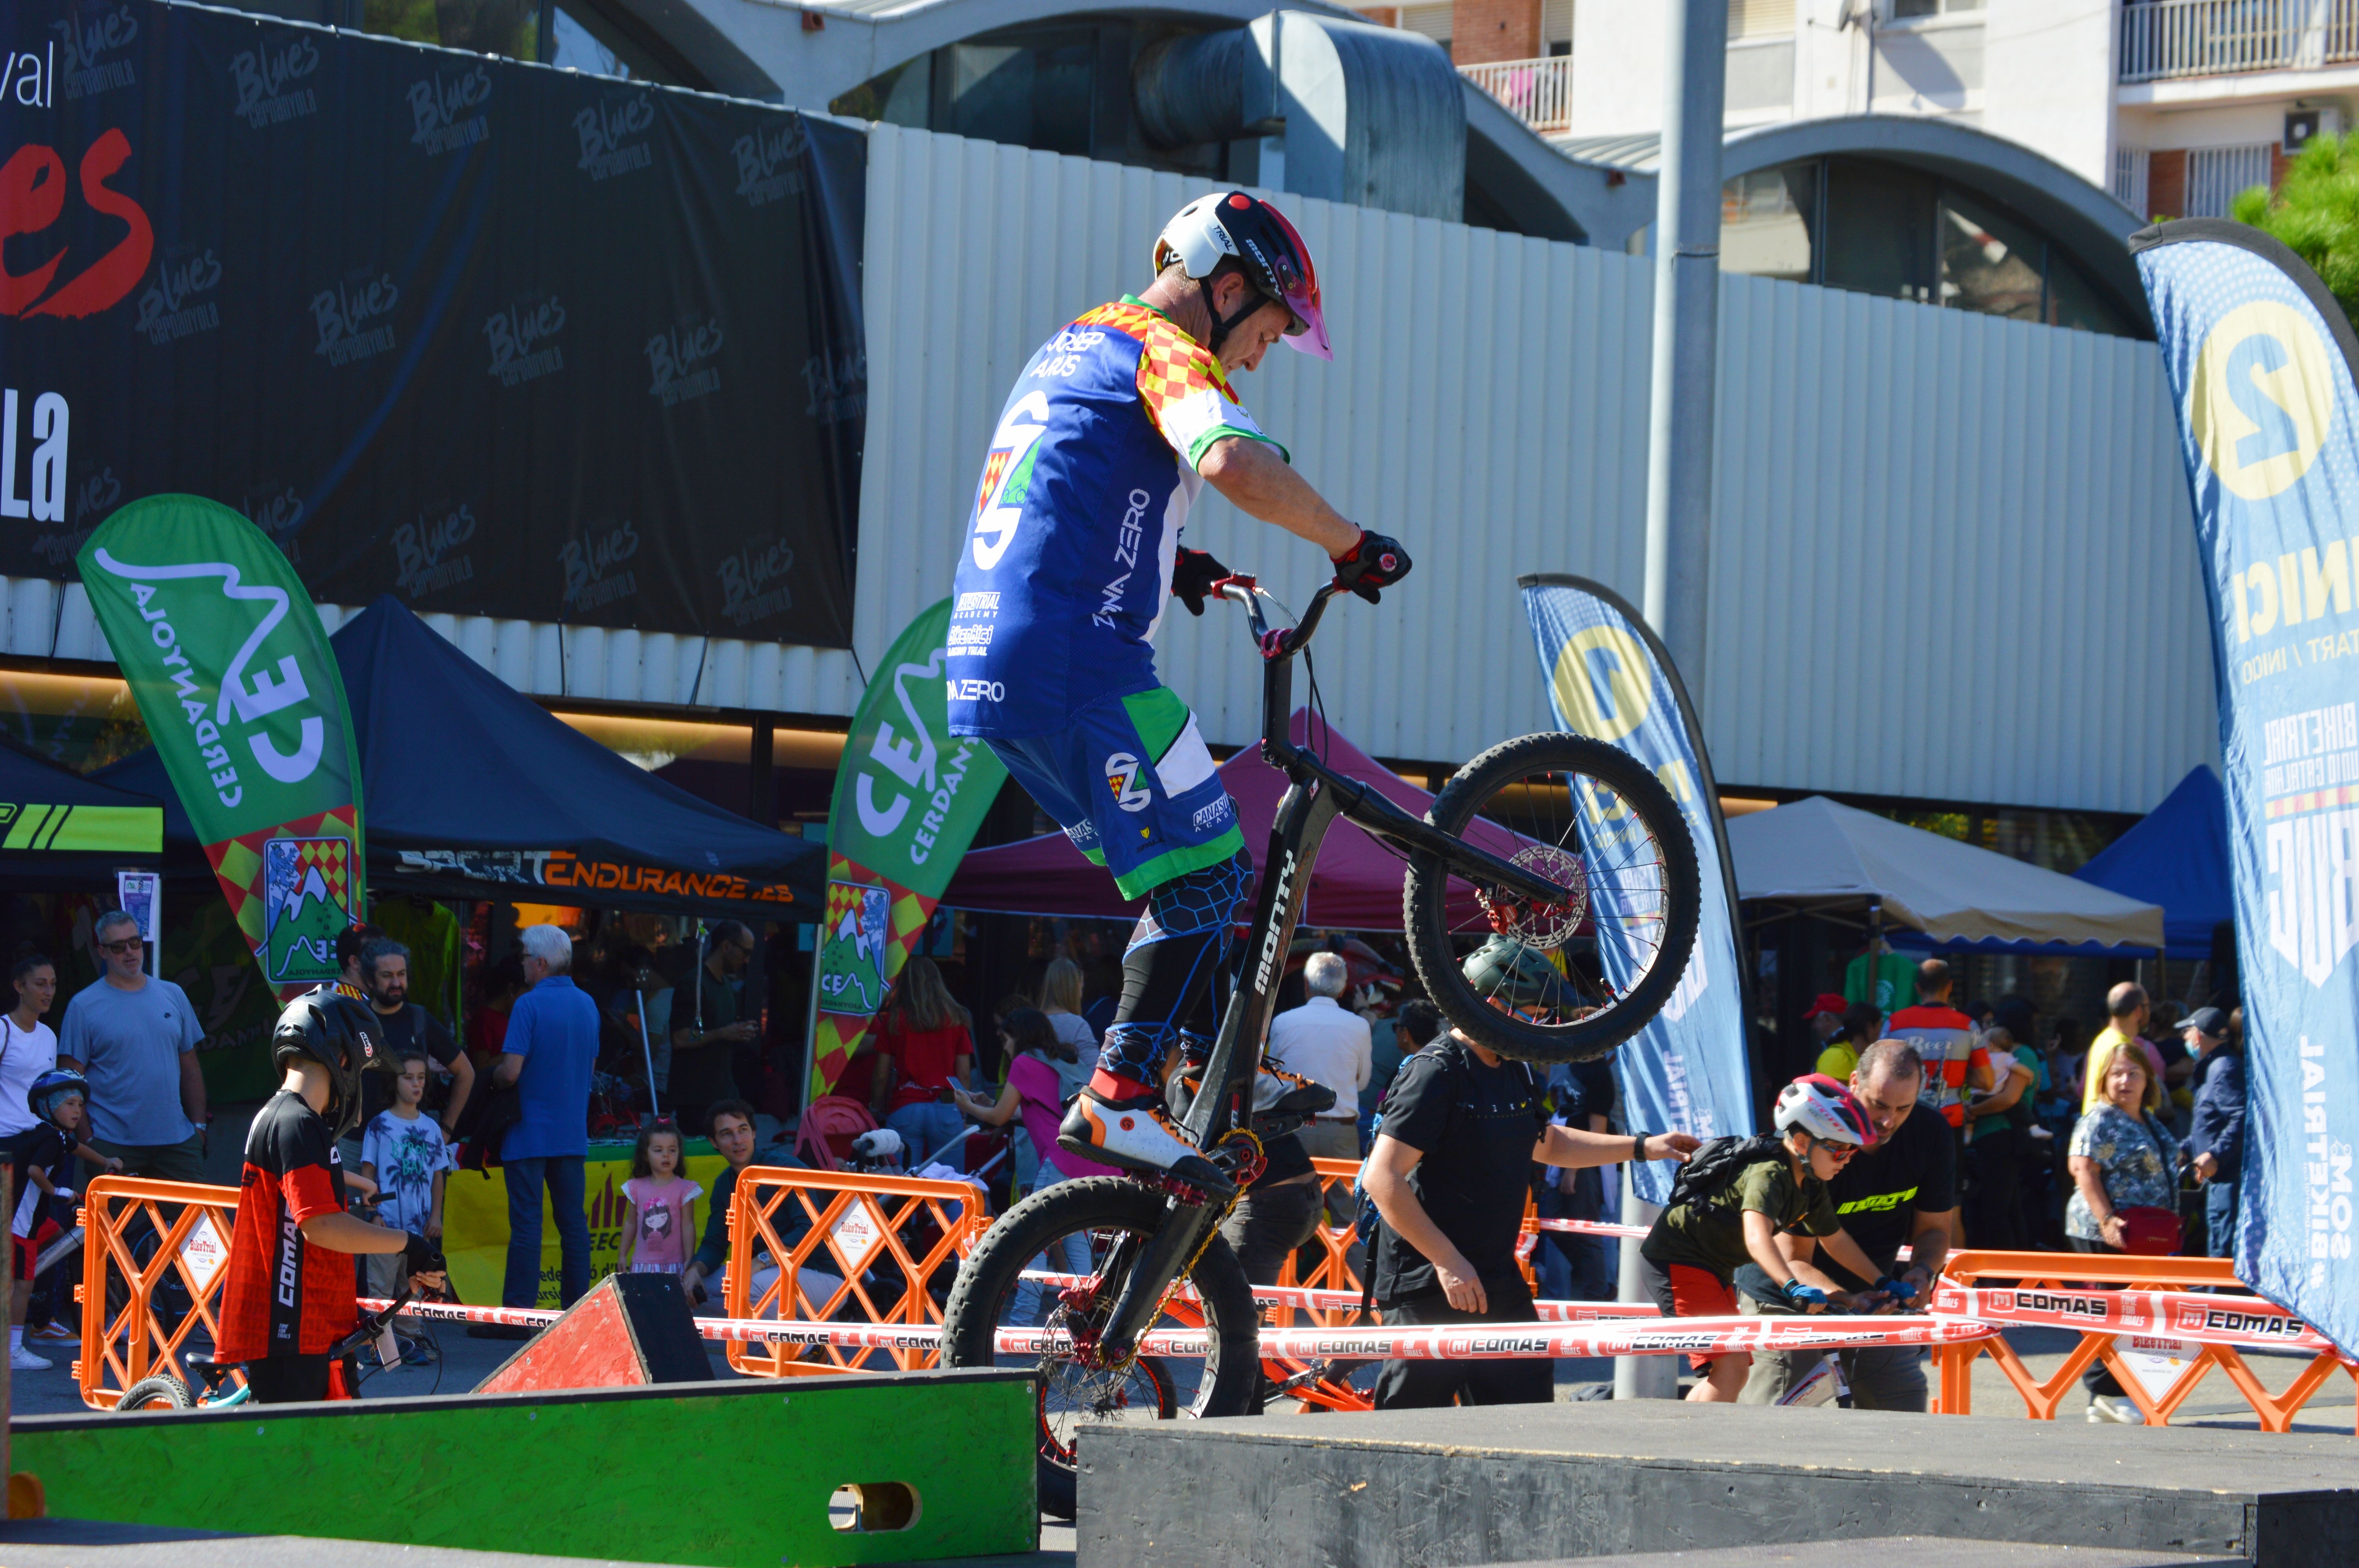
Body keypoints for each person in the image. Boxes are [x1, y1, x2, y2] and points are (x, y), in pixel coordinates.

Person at [945, 190, 1409, 1190]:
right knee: (1208, 874)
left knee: (1178, 876)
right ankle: (1118, 1101)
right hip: (1082, 664)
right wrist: (1349, 543)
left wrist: (1180, 560)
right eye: (1268, 334)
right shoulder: (1165, 347)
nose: (1256, 360)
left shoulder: (1076, 343)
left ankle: (1200, 1062)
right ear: (1228, 289)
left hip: (994, 669)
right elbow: (1231, 457)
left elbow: (1076, 484)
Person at [1361, 939, 1697, 1409]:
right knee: (1414, 1427)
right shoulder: (1434, 1072)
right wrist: (1448, 1261)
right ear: (1489, 1005)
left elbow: (1547, 1144)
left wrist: (1643, 1147)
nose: (1535, 1025)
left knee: (1525, 1410)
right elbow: (1383, 1178)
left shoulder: (1514, 1067)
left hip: (1494, 1277)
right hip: (1428, 1283)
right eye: (1529, 1012)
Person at [215, 988, 446, 1402]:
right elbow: (319, 1225)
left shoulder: (287, 1117)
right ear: (342, 1059)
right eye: (360, 1069)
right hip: (292, 1336)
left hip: (303, 1329)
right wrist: (408, 1243)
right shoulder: (297, 1123)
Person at [1641, 1074, 1894, 1403]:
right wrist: (1793, 1287)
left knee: (1734, 1370)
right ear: (1803, 1143)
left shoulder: (1811, 1183)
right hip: (1679, 1259)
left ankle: (1681, 1438)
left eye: (1852, 1152)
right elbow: (1756, 1235)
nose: (1846, 1160)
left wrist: (1882, 1280)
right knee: (1731, 1366)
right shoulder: (1769, 1173)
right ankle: (1684, 1447)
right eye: (1839, 1151)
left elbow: (1836, 1239)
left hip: (1713, 1267)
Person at [1737, 1042, 1954, 1411]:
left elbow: (1935, 1229)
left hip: (1873, 1300)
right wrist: (1848, 1300)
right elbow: (1794, 1259)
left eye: (1904, 1108)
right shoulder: (1818, 1138)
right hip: (1788, 1296)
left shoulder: (1930, 1132)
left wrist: (1922, 1272)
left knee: (1903, 1415)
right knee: (1777, 1424)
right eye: (1879, 1105)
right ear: (1854, 1083)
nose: (1889, 1121)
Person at [954, 1009, 1116, 1322]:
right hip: (1087, 1160)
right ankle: (1081, 1323)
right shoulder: (1061, 1060)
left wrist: (967, 1106)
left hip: (1058, 1161)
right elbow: (1032, 1110)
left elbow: (1000, 1118)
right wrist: (987, 1103)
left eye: (1006, 1039)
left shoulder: (1024, 1063)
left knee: (1031, 1239)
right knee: (1078, 1248)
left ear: (1021, 1037)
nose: (1004, 1047)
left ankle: (1021, 1321)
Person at [2066, 1035, 2184, 1424]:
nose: (2125, 1081)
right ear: (2104, 1080)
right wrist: (2106, 1218)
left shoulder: (2148, 1119)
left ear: (2148, 1080)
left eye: (2133, 1073)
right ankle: (2105, 1392)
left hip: (2144, 1234)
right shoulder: (2102, 1119)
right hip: (2104, 1229)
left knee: (2134, 1310)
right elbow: (2083, 1169)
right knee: (2114, 1309)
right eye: (2116, 1073)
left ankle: (2113, 1393)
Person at [487, 925, 600, 1330]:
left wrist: (493, 1076)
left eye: (523, 959)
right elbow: (588, 1071)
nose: (521, 966)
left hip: (528, 1132)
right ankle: (577, 1312)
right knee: (573, 1224)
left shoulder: (528, 1005)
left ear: (539, 962)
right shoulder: (588, 1005)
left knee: (528, 1226)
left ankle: (519, 1314)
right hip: (570, 1134)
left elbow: (512, 1072)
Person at [55, 910, 207, 1183]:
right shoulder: (83, 1006)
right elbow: (69, 1081)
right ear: (102, 952)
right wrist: (89, 1140)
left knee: (193, 1225)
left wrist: (199, 1126)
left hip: (177, 1140)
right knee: (114, 1227)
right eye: (118, 946)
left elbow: (190, 1065)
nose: (129, 951)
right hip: (112, 1143)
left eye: (135, 942)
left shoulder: (173, 994)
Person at [10, 1069, 118, 1368]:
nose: (77, 1111)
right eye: (69, 1104)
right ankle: (12, 1350)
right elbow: (35, 1172)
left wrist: (105, 1161)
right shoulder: (49, 1140)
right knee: (23, 1285)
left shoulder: (55, 1136)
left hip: (37, 1219)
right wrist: (60, 1192)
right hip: (21, 1222)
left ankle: (37, 1316)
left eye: (81, 1105)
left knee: (60, 1239)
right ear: (48, 1107)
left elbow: (77, 1147)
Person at [356, 1053, 452, 1370]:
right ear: (394, 1082)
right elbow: (367, 1172)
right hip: (384, 1226)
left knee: (412, 1283)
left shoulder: (431, 1128)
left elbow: (438, 1174)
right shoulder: (380, 1125)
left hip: (418, 1227)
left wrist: (436, 1215)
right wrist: (373, 1214)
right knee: (381, 1286)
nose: (416, 1084)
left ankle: (410, 1339)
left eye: (422, 1077)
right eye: (408, 1077)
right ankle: (377, 1343)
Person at [357, 938, 473, 1137]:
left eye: (401, 975)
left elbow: (466, 1072)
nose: (396, 983)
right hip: (356, 1144)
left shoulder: (420, 1020)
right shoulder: (354, 1018)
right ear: (370, 980)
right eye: (387, 976)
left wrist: (446, 1130)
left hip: (410, 1145)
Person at [1266, 951, 1372, 1165]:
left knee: (1293, 1196)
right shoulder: (1360, 1026)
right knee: (1343, 1197)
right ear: (1343, 989)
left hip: (1294, 1128)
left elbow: (1273, 1079)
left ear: (1306, 983)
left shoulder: (1282, 1022)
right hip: (1341, 1130)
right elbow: (1362, 1083)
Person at [875, 956, 976, 1169]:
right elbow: (964, 1074)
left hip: (905, 1107)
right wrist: (965, 1111)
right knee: (952, 1183)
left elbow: (882, 1074)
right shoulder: (956, 1018)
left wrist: (875, 1107)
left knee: (904, 1185)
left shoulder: (894, 1020)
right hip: (947, 1107)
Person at [1537, 1053, 1618, 1302]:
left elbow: (1598, 1131)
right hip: (1560, 1154)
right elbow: (1556, 1101)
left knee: (1587, 1230)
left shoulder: (1599, 1074)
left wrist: (1573, 1171)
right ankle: (1593, 1280)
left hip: (1583, 1163)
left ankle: (1598, 1294)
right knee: (1552, 1224)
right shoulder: (1570, 1065)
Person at [670, 922, 758, 1132]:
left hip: (723, 1095)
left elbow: (721, 1033)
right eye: (745, 953)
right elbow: (680, 1039)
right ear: (727, 947)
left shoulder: (726, 986)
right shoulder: (694, 983)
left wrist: (738, 1033)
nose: (747, 960)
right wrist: (724, 1034)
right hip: (696, 1100)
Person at [1960, 1025, 2035, 1250]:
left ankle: (2005, 1274)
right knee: (2007, 1209)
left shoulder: (2021, 1056)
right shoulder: (2000, 1057)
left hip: (2001, 1138)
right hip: (1986, 1139)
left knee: (1997, 1211)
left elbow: (2008, 1099)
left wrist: (1972, 1111)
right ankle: (2015, 1273)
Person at [682, 1100, 760, 1309]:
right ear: (714, 1142)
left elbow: (809, 1232)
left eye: (743, 1130)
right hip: (762, 1272)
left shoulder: (784, 1168)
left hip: (818, 1273)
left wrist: (760, 1262)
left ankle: (808, 1342)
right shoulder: (724, 1183)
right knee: (690, 1291)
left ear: (754, 1133)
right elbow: (716, 1243)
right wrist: (695, 1270)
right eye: (727, 1134)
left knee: (744, 1285)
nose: (737, 1140)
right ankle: (769, 1343)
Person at [2183, 1006, 2244, 1260]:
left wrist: (2215, 1155)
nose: (2184, 1039)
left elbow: (2240, 1117)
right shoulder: (2214, 1067)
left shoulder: (2223, 1068)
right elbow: (2210, 1124)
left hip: (2227, 1179)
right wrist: (2187, 1149)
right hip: (2217, 1179)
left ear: (2197, 1036)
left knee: (2223, 1253)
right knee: (2217, 1249)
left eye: (2186, 1033)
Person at [618, 1120, 703, 1283]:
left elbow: (688, 1226)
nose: (666, 1155)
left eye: (672, 1150)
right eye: (659, 1150)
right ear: (645, 1155)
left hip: (675, 1264)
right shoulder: (636, 1187)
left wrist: (689, 1258)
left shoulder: (685, 1189)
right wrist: (623, 1254)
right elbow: (631, 1223)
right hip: (643, 1265)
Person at [2080, 984, 2165, 1113]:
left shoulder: (2102, 1040)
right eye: (2148, 1007)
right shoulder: (2121, 1049)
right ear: (2139, 1011)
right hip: (2116, 1129)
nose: (2150, 1012)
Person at [1036, 958, 1101, 1102]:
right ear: (1075, 988)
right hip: (1067, 1113)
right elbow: (1096, 1078)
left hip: (1033, 1110)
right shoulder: (1077, 1025)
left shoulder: (1032, 1023)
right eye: (1081, 988)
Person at [1803, 994, 1854, 1078]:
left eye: (1815, 1020)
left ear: (1827, 1019)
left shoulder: (1838, 1053)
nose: (1813, 1026)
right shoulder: (1847, 1045)